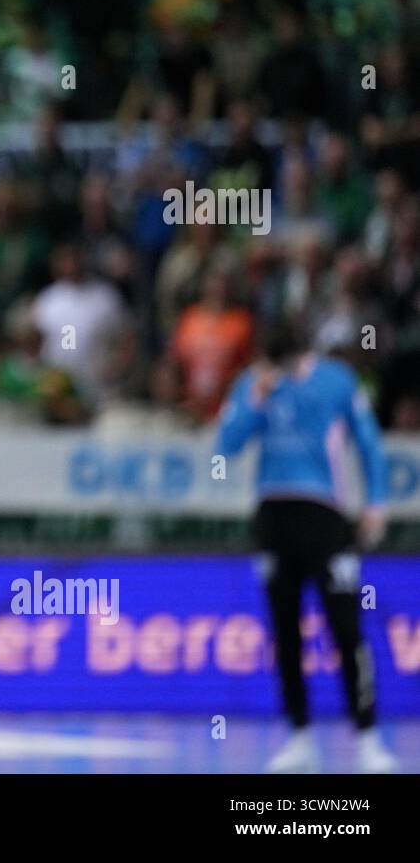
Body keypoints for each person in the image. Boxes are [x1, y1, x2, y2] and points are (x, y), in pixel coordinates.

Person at [215, 319, 400, 773]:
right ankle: (298, 734)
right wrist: (255, 399)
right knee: (284, 629)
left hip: (324, 515)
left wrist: (375, 502)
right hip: (274, 514)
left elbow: (369, 444)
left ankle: (368, 737)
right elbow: (227, 444)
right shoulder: (254, 381)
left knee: (345, 628)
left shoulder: (337, 381)